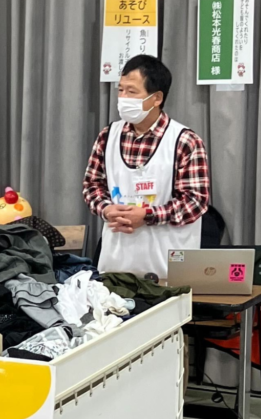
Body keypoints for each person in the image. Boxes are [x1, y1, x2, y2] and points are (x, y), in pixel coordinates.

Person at [83, 55, 210, 281]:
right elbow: (92, 185)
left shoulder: (185, 141)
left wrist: (148, 215)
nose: (123, 98)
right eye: (120, 90)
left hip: (169, 270)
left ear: (156, 98)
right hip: (115, 267)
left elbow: (195, 201)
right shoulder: (108, 136)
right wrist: (106, 209)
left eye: (132, 92)